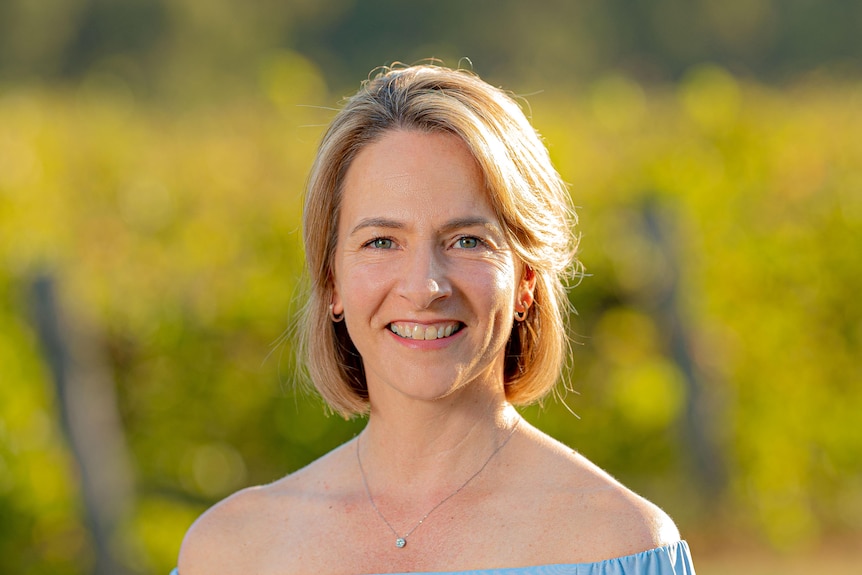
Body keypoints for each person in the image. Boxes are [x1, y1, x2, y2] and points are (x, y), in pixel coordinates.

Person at [174, 64, 696, 574]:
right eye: (381, 242)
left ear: (526, 280)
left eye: (467, 240)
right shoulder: (229, 554)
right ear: (331, 280)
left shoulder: (619, 545)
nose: (425, 288)